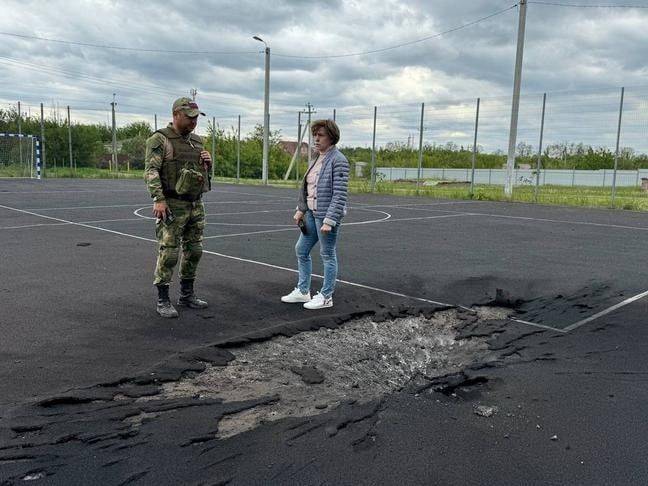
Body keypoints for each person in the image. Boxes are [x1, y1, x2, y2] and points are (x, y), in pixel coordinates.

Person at [144, 97, 212, 318]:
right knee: (170, 252)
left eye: (196, 118)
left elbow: (201, 176)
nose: (194, 122)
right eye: (189, 117)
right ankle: (163, 299)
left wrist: (208, 164)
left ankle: (187, 294)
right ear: (175, 115)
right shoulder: (160, 139)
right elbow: (151, 171)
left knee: (195, 250)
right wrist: (158, 199)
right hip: (172, 203)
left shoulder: (197, 141)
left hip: (194, 203)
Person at [281, 119, 349, 309]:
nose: (316, 139)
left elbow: (340, 193)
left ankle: (326, 296)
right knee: (301, 250)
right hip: (311, 214)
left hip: (325, 216)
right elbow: (308, 188)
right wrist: (301, 210)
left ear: (331, 137)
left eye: (321, 135)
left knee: (327, 254)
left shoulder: (339, 160)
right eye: (315, 135)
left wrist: (330, 220)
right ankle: (303, 291)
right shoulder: (317, 158)